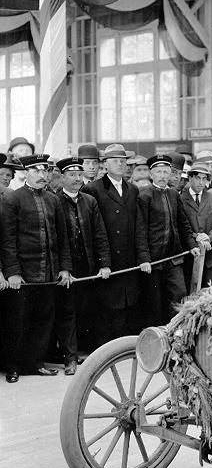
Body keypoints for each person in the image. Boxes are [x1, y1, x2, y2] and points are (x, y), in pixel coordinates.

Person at [1, 154, 73, 383]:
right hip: (22, 276)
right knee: (18, 321)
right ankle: (13, 366)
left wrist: (64, 268)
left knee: (44, 320)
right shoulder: (13, 200)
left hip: (49, 274)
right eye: (37, 171)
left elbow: (63, 239)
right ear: (26, 173)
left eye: (46, 171)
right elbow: (7, 240)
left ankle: (35, 363)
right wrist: (12, 272)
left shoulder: (54, 200)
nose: (43, 176)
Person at [53, 157, 111, 373]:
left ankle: (87, 353)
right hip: (66, 269)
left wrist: (104, 264)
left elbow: (100, 234)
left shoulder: (89, 201)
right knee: (68, 312)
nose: (78, 179)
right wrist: (64, 268)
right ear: (62, 177)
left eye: (79, 175)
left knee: (88, 309)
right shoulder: (54, 200)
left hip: (88, 266)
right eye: (72, 175)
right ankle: (70, 358)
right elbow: (56, 240)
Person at [82, 143, 144, 344]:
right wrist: (102, 260)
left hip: (128, 256)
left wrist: (143, 256)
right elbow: (92, 229)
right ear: (105, 164)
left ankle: (123, 345)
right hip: (107, 255)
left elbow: (139, 225)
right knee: (108, 304)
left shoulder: (132, 189)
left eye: (123, 161)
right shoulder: (93, 189)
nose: (120, 164)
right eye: (115, 160)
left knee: (128, 301)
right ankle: (105, 346)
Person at [137, 155, 199, 326]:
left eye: (166, 172)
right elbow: (140, 230)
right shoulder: (145, 196)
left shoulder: (173, 194)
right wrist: (144, 259)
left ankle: (176, 331)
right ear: (151, 174)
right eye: (159, 172)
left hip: (174, 257)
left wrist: (192, 245)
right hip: (154, 260)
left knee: (179, 294)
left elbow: (183, 223)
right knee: (154, 302)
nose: (163, 176)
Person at [179, 163, 212, 288]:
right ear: (190, 178)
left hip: (209, 258)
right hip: (189, 256)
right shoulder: (180, 199)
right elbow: (180, 227)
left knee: (210, 294)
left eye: (204, 179)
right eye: (197, 178)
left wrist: (208, 238)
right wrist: (197, 237)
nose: (201, 182)